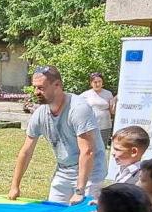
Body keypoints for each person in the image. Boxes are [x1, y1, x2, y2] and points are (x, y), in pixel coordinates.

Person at [8, 66, 106, 204]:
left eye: (41, 88)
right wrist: (15, 186)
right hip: (64, 172)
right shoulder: (40, 114)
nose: (36, 92)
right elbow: (26, 152)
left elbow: (87, 151)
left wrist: (79, 191)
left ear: (58, 85)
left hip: (91, 173)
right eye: (34, 87)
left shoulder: (78, 109)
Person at [81, 72, 116, 145]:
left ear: (102, 82)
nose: (97, 84)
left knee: (102, 147)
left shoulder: (108, 94)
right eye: (95, 82)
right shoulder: (85, 95)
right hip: (90, 126)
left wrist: (115, 102)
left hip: (105, 125)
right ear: (91, 83)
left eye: (99, 81)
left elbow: (113, 111)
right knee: (90, 147)